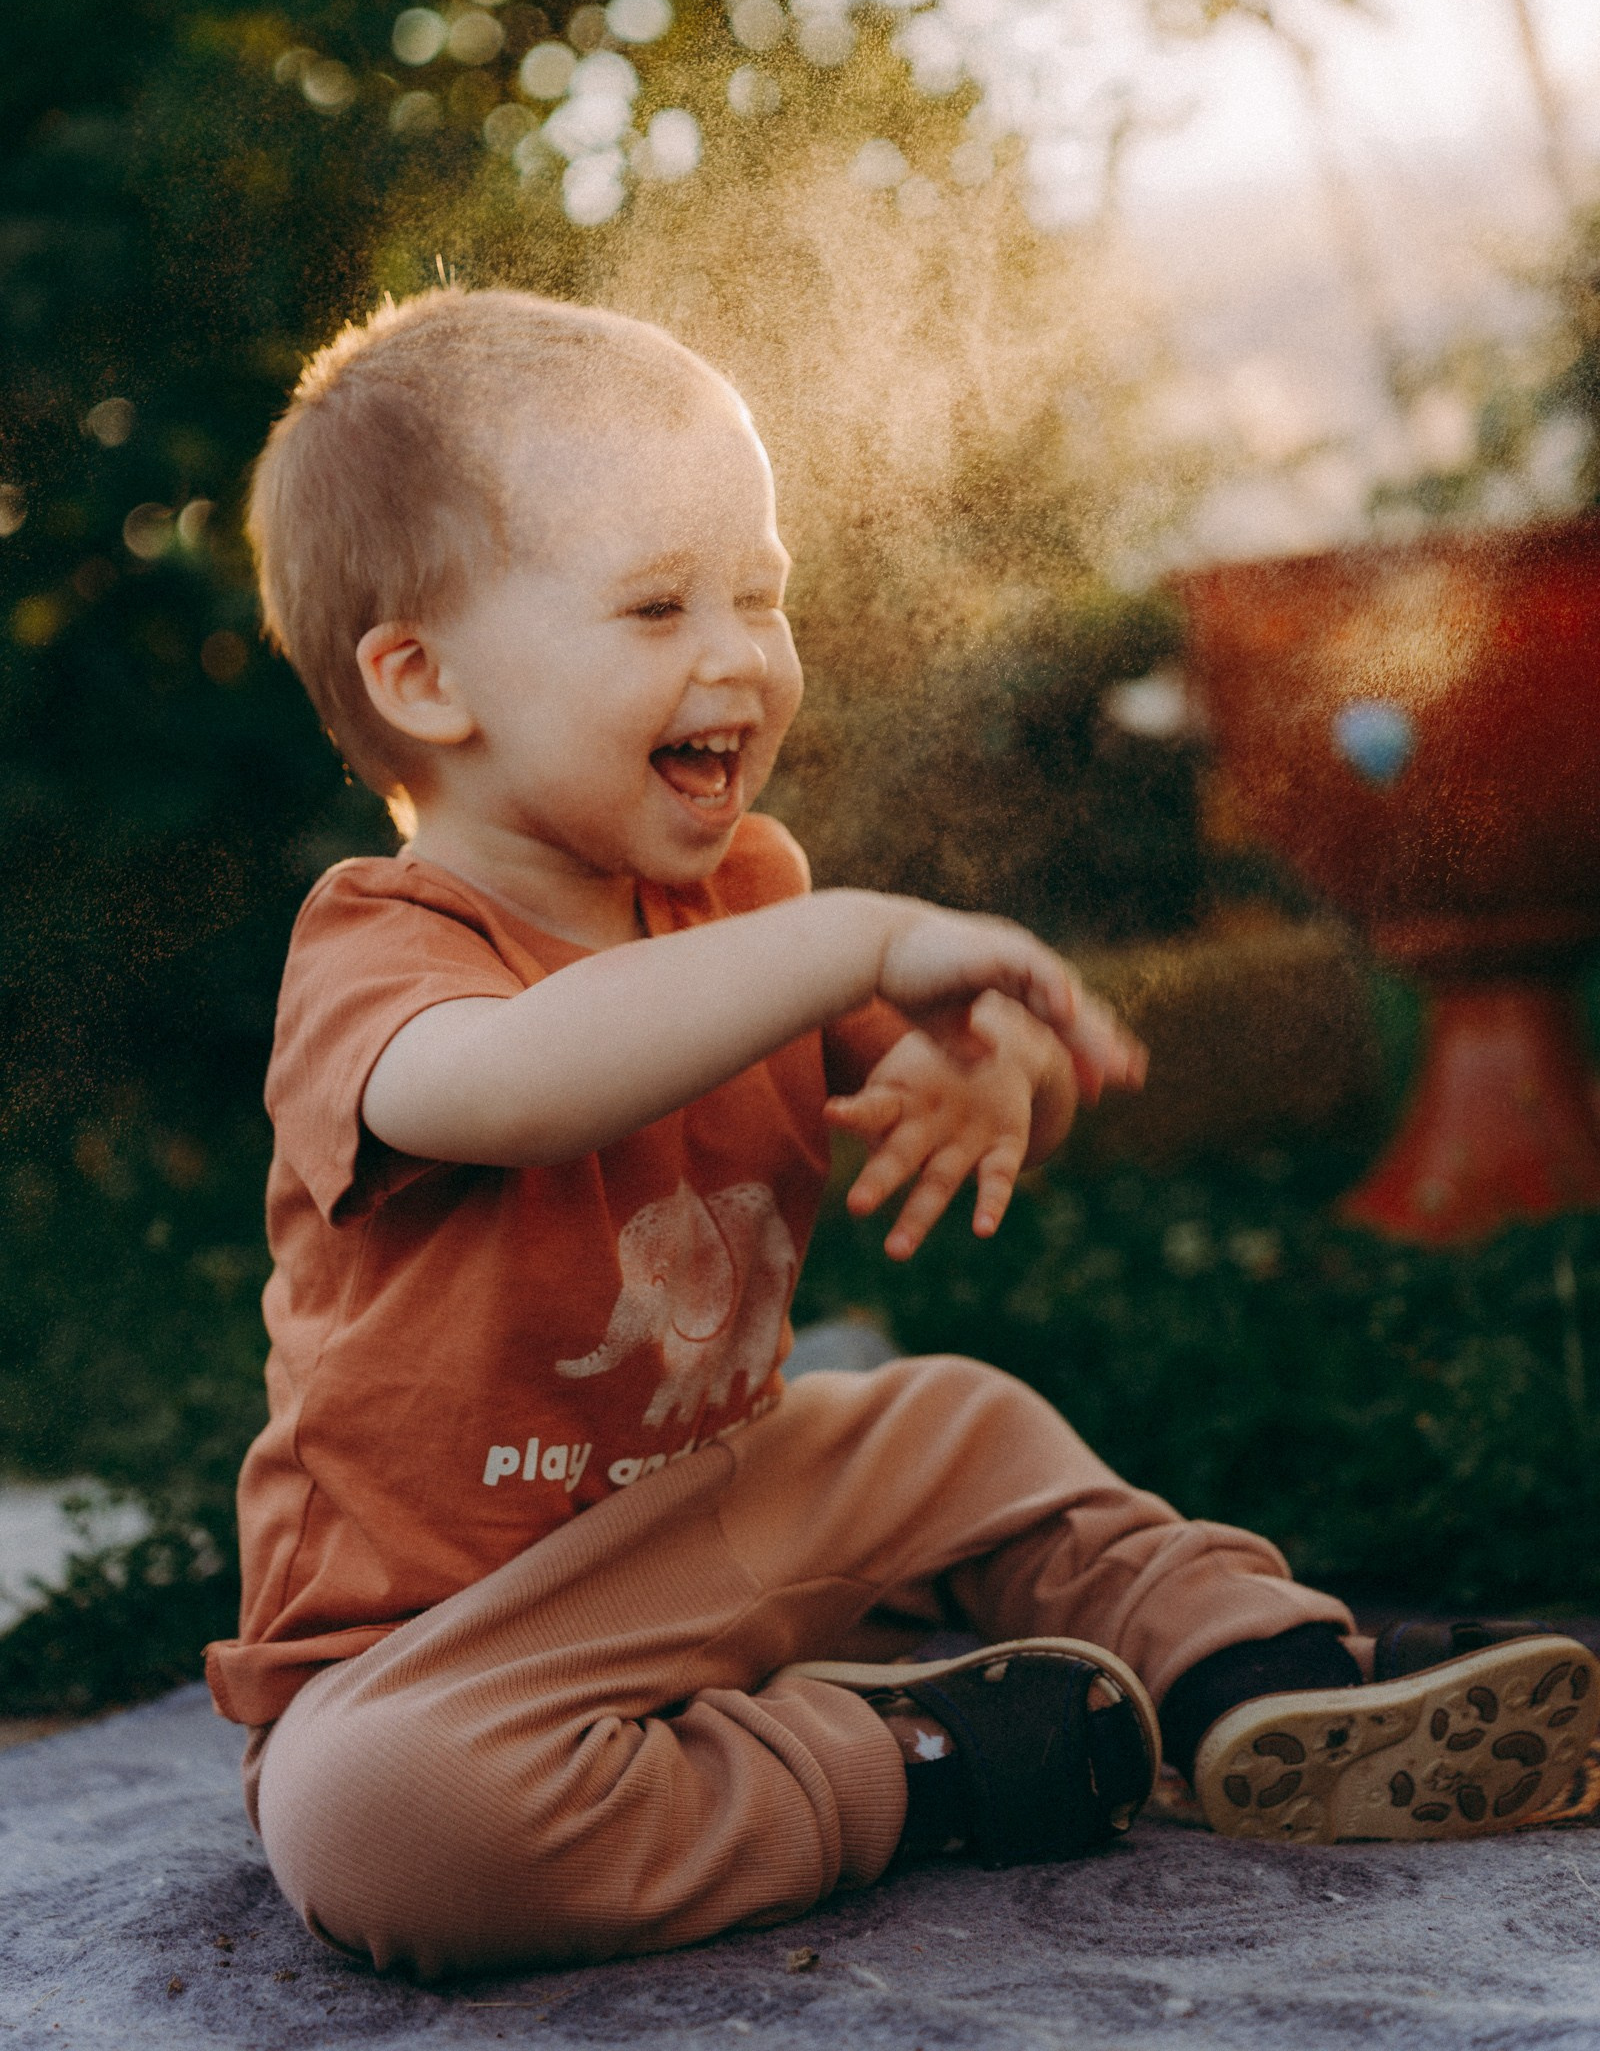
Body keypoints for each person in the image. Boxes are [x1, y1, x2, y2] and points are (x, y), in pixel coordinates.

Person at [207, 287, 1598, 1978]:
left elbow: (966, 1062)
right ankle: (918, 1757)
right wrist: (858, 940)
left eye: (761, 593)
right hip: (456, 1655)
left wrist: (994, 1070)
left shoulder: (751, 898)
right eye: (656, 604)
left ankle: (1264, 1672)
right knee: (386, 1828)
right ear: (426, 680)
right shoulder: (380, 950)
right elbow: (511, 1083)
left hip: (729, 1513)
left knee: (958, 1427)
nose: (739, 653)